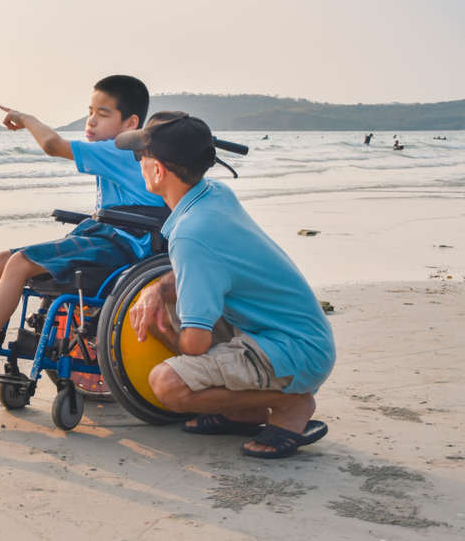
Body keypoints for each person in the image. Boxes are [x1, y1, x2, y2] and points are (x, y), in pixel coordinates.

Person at [0, 75, 165, 387]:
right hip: (108, 234)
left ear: (131, 123)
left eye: (103, 115)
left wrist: (25, 118)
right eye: (90, 112)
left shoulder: (118, 149)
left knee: (19, 262)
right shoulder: (123, 151)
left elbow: (51, 145)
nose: (91, 122)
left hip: (123, 245)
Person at [115, 112, 336, 458]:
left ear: (158, 170)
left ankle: (292, 404)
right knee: (170, 295)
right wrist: (157, 290)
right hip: (292, 335)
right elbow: (203, 272)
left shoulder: (191, 233)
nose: (138, 163)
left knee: (167, 384)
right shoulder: (213, 193)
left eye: (140, 157)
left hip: (294, 351)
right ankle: (244, 411)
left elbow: (195, 346)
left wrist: (159, 333)